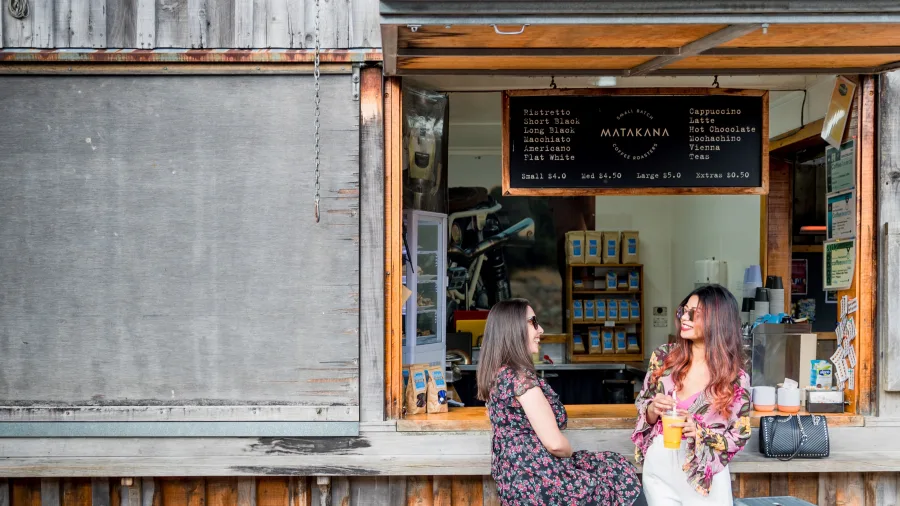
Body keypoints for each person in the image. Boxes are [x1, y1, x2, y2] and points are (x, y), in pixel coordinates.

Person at [477, 298, 646, 506]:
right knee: (620, 475)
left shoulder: (498, 375)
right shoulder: (520, 380)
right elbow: (556, 445)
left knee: (612, 464)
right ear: (513, 328)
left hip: (516, 482)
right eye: (533, 322)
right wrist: (569, 450)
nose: (541, 330)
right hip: (540, 483)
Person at [632, 284, 752, 505]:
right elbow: (642, 404)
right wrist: (651, 409)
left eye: (694, 314)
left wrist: (699, 431)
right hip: (659, 468)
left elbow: (739, 436)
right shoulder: (663, 358)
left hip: (703, 474)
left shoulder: (734, 377)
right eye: (683, 310)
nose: (684, 318)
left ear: (718, 320)